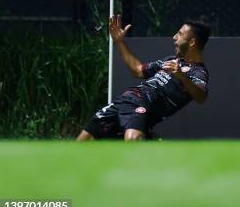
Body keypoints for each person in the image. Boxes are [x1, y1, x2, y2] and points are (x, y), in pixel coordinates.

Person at [77, 15, 210, 141]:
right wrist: (119, 42)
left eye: (180, 34)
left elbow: (201, 97)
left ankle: (149, 144)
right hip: (124, 100)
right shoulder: (170, 60)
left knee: (133, 139)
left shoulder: (198, 71)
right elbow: (138, 71)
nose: (174, 37)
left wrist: (182, 77)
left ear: (192, 42)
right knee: (83, 142)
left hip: (143, 107)